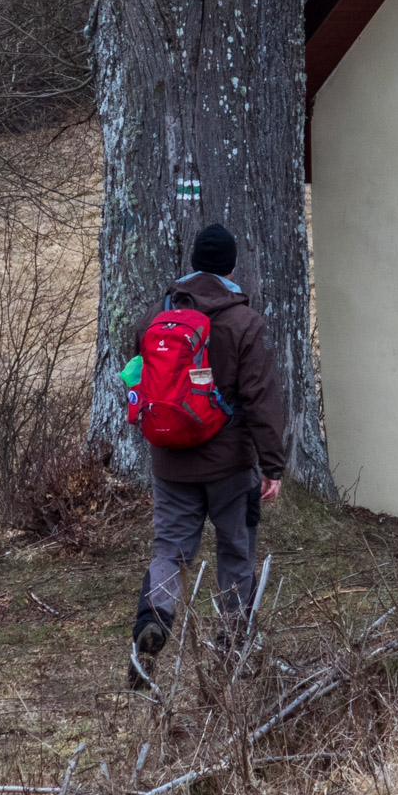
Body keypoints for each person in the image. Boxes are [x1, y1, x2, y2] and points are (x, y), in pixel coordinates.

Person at [130, 223, 284, 687]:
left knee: (170, 552)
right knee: (236, 552)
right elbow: (260, 398)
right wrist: (272, 464)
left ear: (193, 262)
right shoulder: (244, 323)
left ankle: (150, 628)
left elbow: (137, 377)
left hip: (170, 460)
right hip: (230, 464)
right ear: (232, 266)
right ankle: (233, 651)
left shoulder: (157, 316)